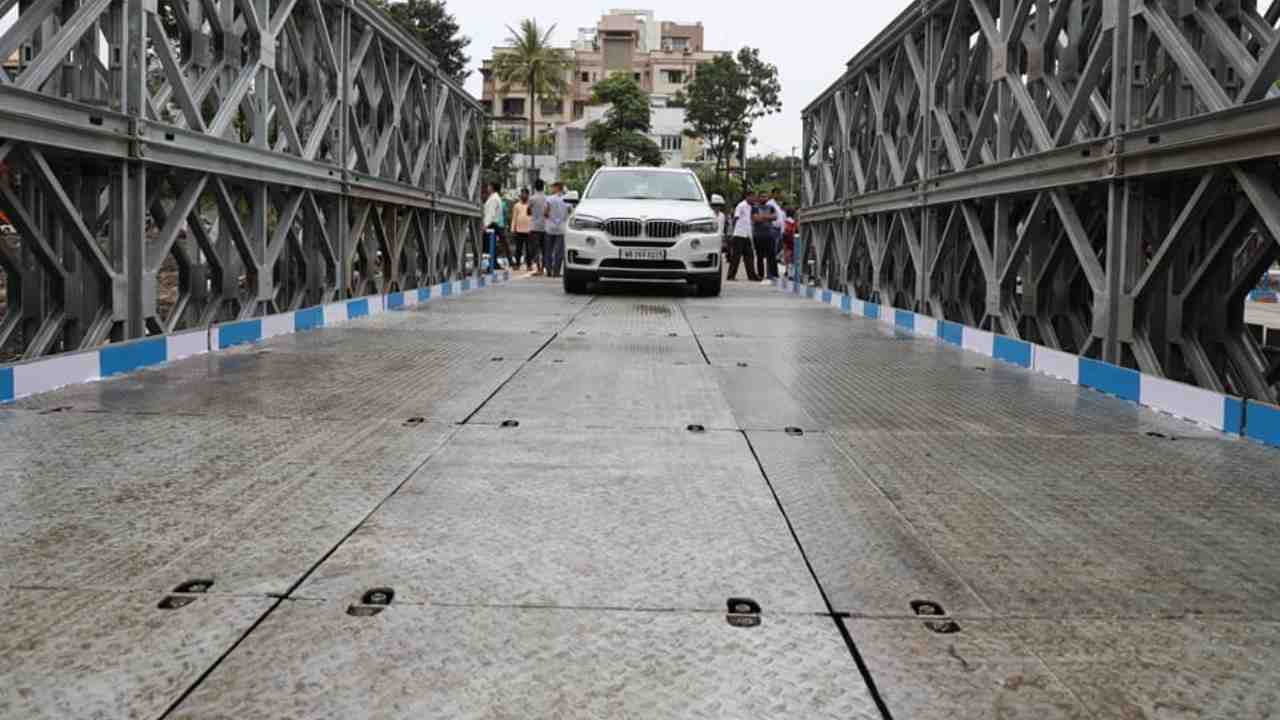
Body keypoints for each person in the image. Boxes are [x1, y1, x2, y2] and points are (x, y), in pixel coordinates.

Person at [727, 190, 760, 282]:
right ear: (747, 196)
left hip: (747, 235)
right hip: (739, 234)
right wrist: (733, 232)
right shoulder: (741, 205)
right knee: (736, 257)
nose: (754, 199)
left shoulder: (751, 207)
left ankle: (752, 275)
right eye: (752, 197)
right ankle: (730, 275)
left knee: (749, 256)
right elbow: (735, 218)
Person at [544, 182, 570, 278]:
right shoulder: (567, 200)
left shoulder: (549, 199)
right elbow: (570, 212)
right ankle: (556, 271)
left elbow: (545, 213)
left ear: (557, 188)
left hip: (550, 228)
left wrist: (551, 218)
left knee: (548, 250)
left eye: (552, 187)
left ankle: (548, 270)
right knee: (559, 251)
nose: (551, 189)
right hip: (562, 229)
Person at [751, 191, 777, 282]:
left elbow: (775, 217)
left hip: (770, 234)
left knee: (771, 255)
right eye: (762, 196)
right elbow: (755, 219)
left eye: (765, 197)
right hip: (758, 235)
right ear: (759, 198)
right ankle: (760, 275)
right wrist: (768, 217)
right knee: (759, 256)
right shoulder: (754, 208)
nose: (764, 198)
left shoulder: (771, 207)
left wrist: (762, 217)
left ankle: (773, 274)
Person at [765, 189, 787, 282]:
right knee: (771, 252)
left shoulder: (777, 205)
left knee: (775, 254)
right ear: (773, 194)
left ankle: (774, 272)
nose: (780, 195)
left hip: (779, 231)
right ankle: (770, 273)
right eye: (778, 193)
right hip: (773, 229)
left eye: (780, 193)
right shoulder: (770, 204)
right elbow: (769, 216)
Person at [528, 180, 548, 275]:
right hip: (545, 227)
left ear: (535, 187)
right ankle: (543, 268)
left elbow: (528, 211)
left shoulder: (532, 199)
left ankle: (538, 268)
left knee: (535, 249)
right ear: (543, 187)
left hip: (535, 227)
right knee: (544, 249)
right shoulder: (547, 198)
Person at [512, 188, 533, 270]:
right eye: (522, 194)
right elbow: (514, 217)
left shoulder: (530, 205)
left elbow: (533, 216)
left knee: (529, 249)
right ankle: (517, 264)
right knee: (518, 249)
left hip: (529, 230)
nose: (523, 195)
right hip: (519, 229)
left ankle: (529, 265)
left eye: (525, 194)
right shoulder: (516, 205)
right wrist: (513, 228)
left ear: (528, 195)